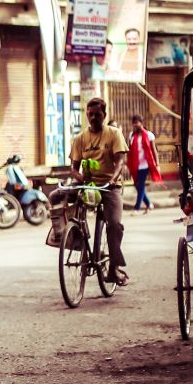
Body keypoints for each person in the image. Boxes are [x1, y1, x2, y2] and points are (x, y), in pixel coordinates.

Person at [62, 97, 127, 281]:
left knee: (114, 224)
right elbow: (73, 168)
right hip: (87, 185)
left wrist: (113, 180)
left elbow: (120, 161)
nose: (93, 118)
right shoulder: (80, 138)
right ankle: (77, 240)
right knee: (58, 198)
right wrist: (82, 178)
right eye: (90, 114)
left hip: (109, 186)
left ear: (104, 115)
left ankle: (113, 268)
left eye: (97, 114)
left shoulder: (114, 134)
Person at [126, 114, 160, 212]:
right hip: (135, 165)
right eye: (133, 123)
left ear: (141, 123)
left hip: (146, 165)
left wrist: (157, 165)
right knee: (138, 186)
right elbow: (130, 150)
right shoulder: (131, 136)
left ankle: (136, 208)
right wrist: (127, 163)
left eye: (136, 123)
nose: (135, 125)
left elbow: (154, 151)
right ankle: (149, 204)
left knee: (140, 185)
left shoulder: (149, 135)